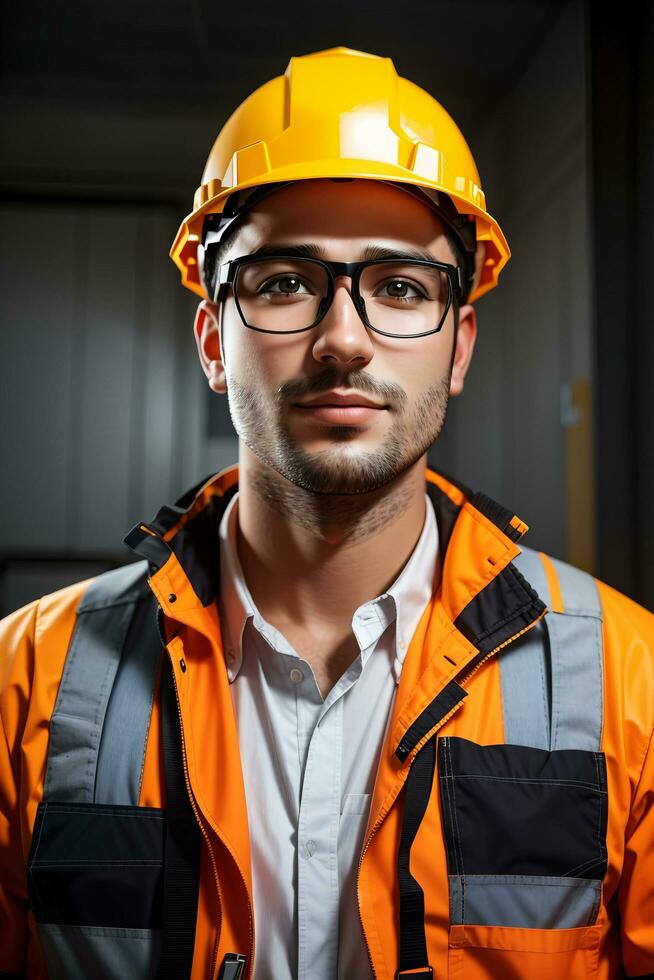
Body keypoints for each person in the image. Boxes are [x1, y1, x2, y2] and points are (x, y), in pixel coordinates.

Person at [1, 45, 653, 980]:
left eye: (398, 288)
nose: (343, 340)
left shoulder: (635, 690)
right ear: (213, 342)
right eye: (284, 284)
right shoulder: (21, 685)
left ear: (458, 346)